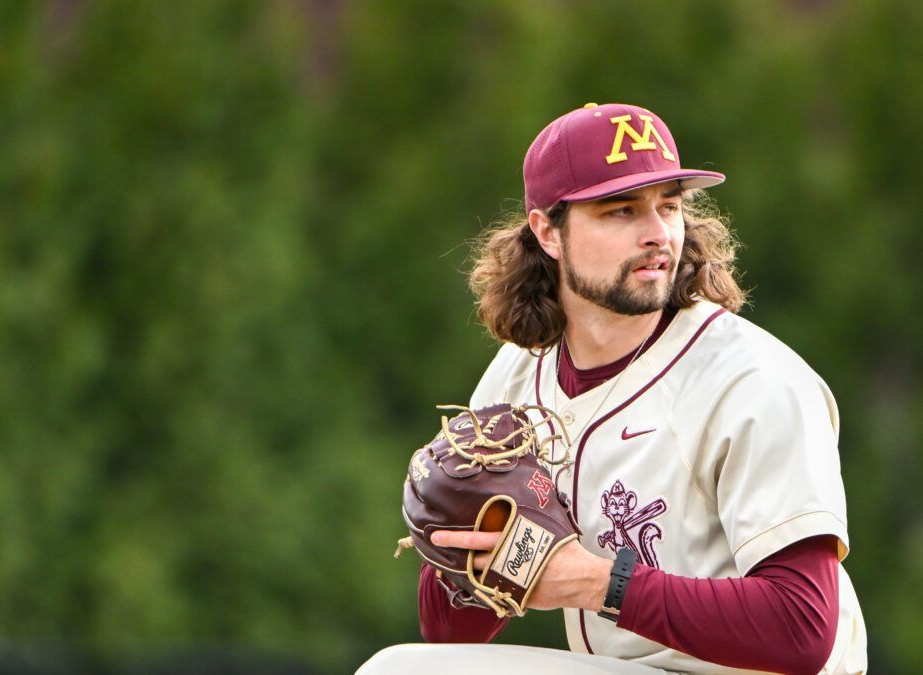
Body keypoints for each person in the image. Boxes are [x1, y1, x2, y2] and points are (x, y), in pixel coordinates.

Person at [358, 103, 867, 674]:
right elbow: (450, 633)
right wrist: (479, 548)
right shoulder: (518, 376)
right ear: (548, 231)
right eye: (621, 210)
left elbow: (802, 629)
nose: (657, 234)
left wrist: (598, 582)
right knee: (406, 667)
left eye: (669, 207)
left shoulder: (753, 380)